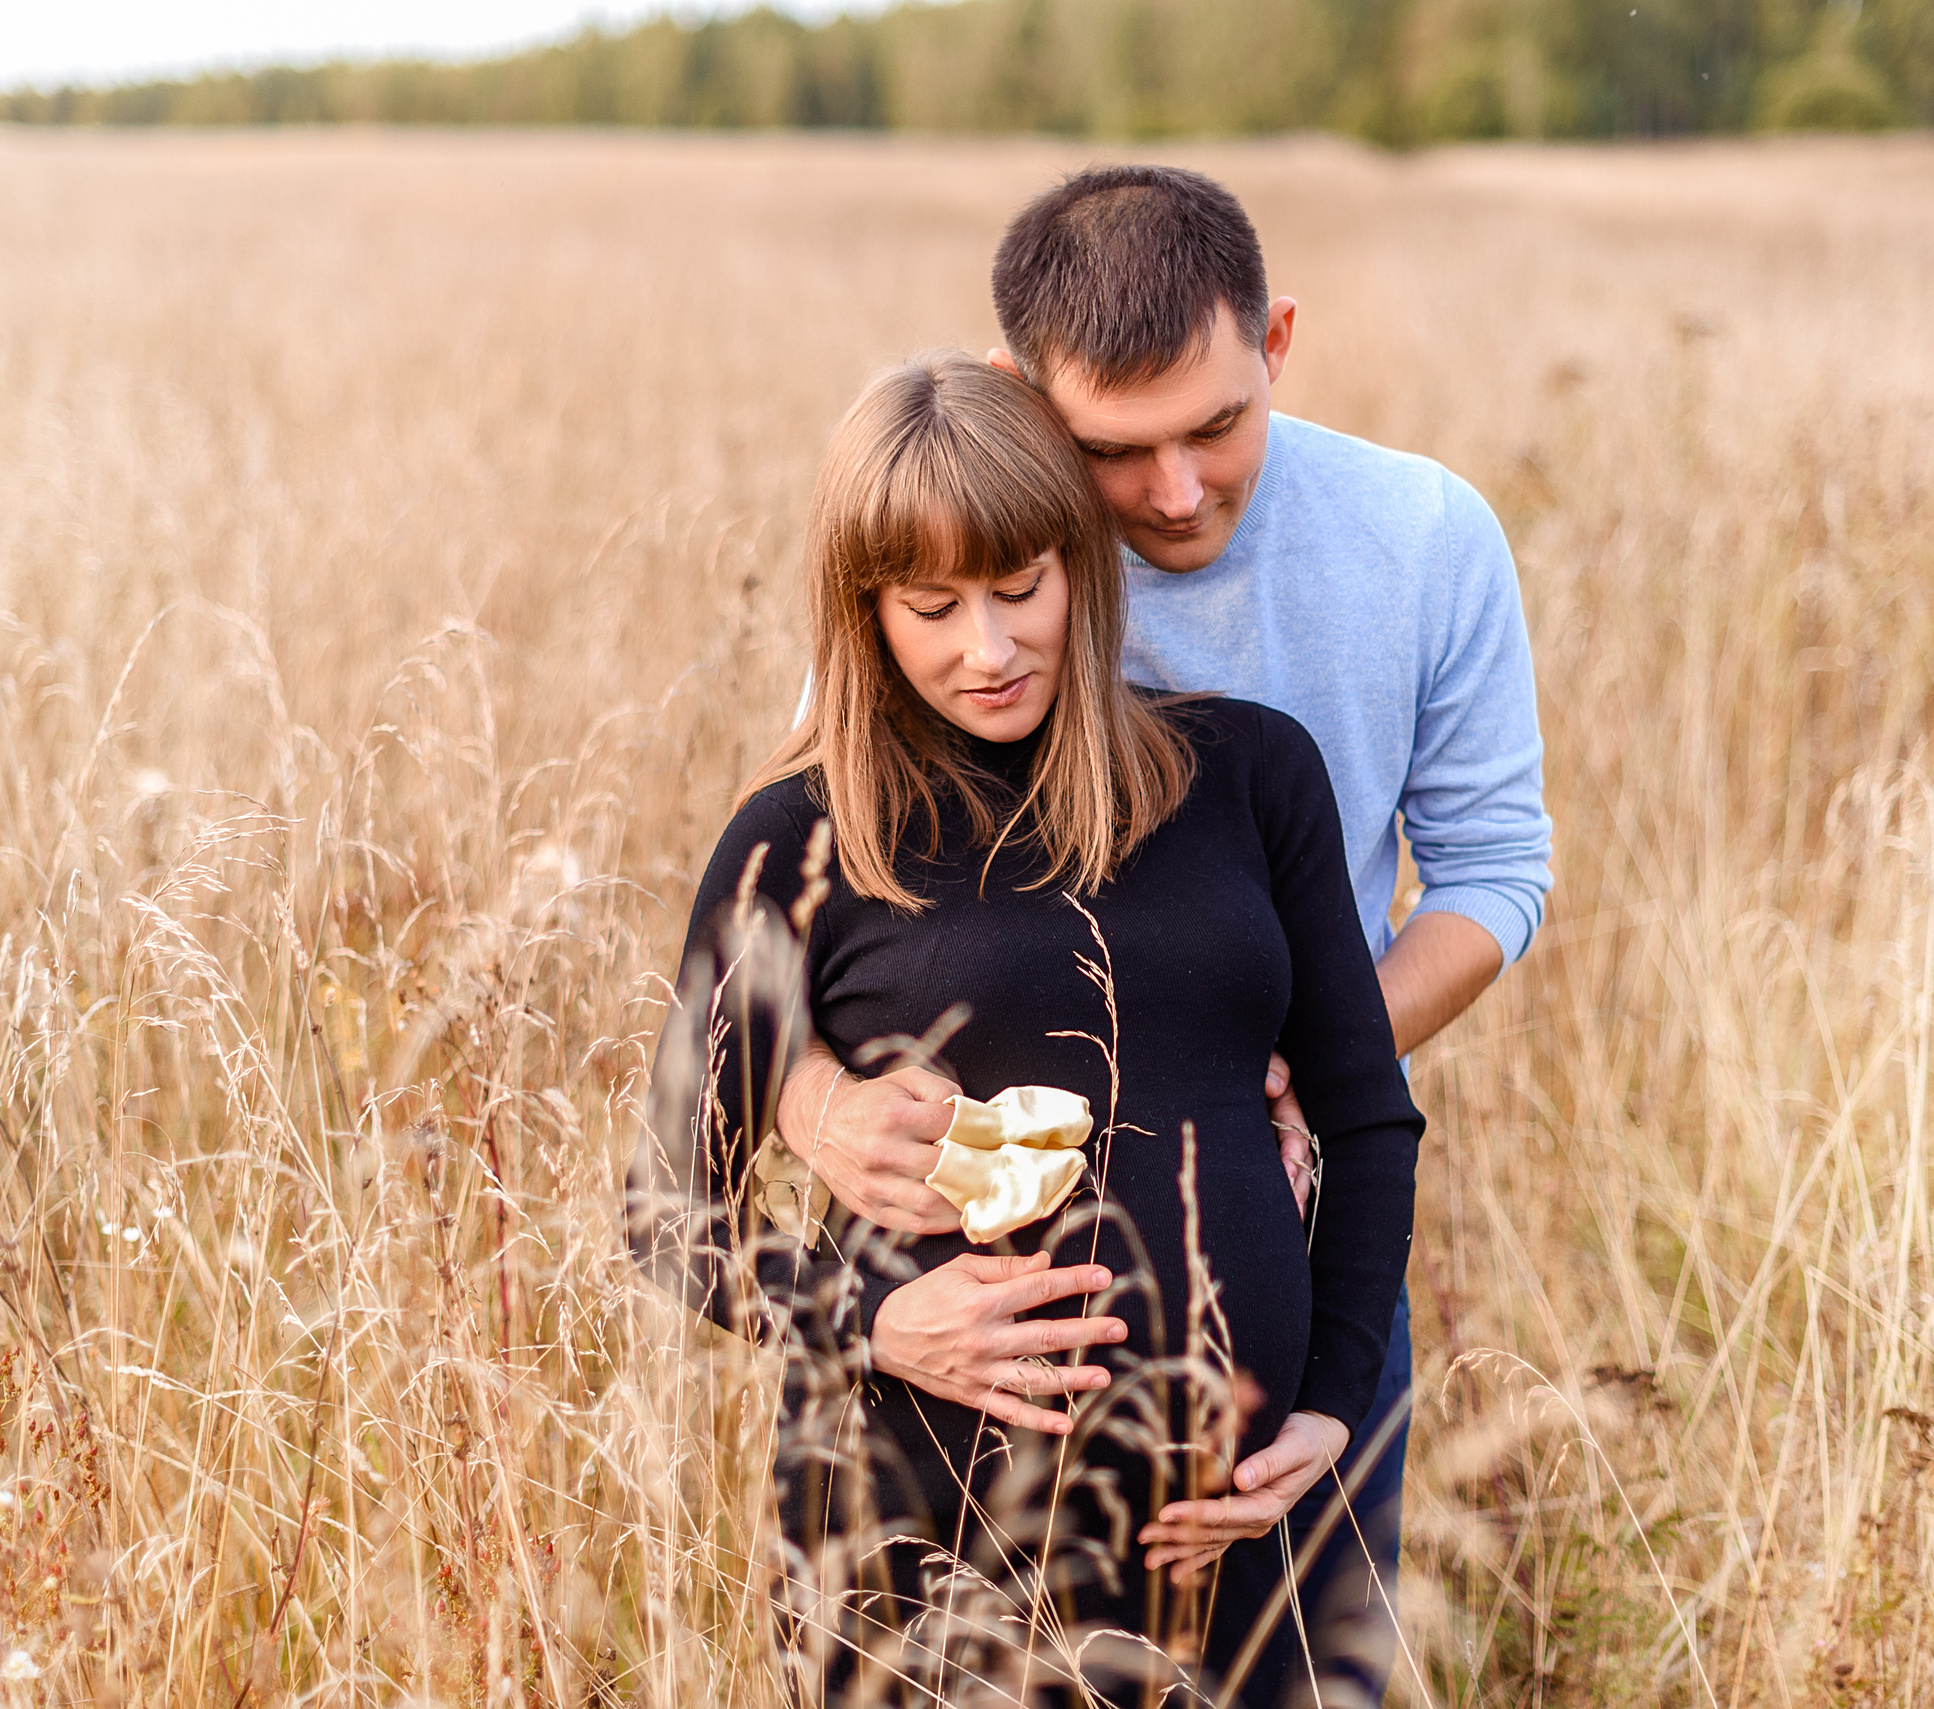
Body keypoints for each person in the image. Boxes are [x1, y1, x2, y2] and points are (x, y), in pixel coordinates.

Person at [772, 167, 1555, 1703]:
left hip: (1291, 1248)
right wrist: (813, 1106)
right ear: (1015, 389)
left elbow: (1492, 874)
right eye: (1116, 450)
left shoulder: (1423, 538)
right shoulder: (965, 564)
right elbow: (806, 905)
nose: (1178, 492)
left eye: (1218, 425)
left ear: (1278, 341)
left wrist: (1316, 1059)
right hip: (980, 1304)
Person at [648, 352, 1423, 1706]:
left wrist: (1326, 1411)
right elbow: (667, 1211)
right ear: (864, 610)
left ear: (1083, 565)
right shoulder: (801, 838)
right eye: (932, 607)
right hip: (928, 1531)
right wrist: (877, 1321)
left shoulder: (1251, 775)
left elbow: (1366, 1117)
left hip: (1237, 1524)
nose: (988, 650)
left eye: (1020, 588)